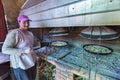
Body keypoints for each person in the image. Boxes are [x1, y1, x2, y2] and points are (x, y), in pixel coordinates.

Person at [2, 15, 37, 80]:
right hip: (20, 65)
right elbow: (5, 49)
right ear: (19, 22)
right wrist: (23, 51)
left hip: (31, 62)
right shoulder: (14, 33)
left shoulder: (30, 33)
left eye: (28, 22)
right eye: (24, 22)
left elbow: (30, 44)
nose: (27, 24)